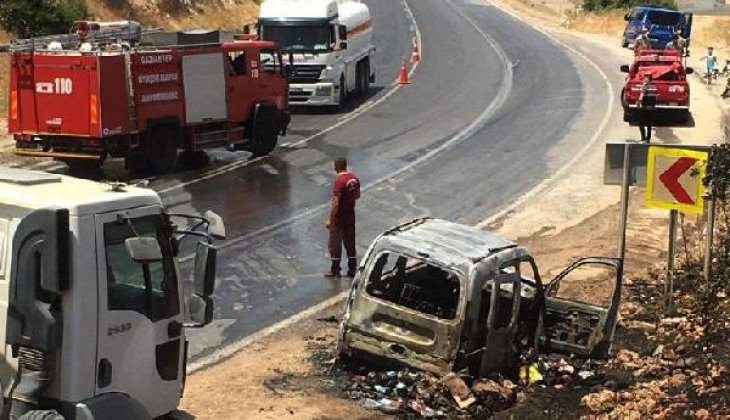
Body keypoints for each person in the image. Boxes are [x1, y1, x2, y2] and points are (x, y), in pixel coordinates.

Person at [325, 157, 361, 278]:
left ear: (336, 167)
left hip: (339, 218)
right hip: (350, 216)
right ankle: (352, 269)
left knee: (335, 244)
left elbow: (335, 203)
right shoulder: (354, 179)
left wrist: (331, 219)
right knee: (350, 243)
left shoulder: (339, 181)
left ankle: (335, 269)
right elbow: (357, 195)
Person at [637, 73, 657, 142]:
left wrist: (638, 103)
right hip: (652, 108)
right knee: (649, 124)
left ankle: (643, 137)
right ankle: (648, 138)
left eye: (646, 79)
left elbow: (641, 95)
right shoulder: (654, 87)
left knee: (640, 123)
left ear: (649, 80)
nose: (644, 80)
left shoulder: (645, 86)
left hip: (645, 108)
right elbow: (656, 96)